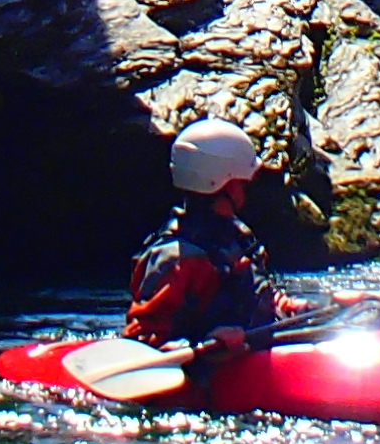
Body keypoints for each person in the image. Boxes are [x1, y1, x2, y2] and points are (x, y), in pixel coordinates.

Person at [124, 118, 290, 357]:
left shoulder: (238, 236)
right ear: (225, 184)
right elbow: (142, 342)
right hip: (202, 368)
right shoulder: (176, 259)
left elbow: (257, 294)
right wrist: (207, 344)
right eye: (241, 184)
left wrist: (291, 307)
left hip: (249, 355)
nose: (244, 192)